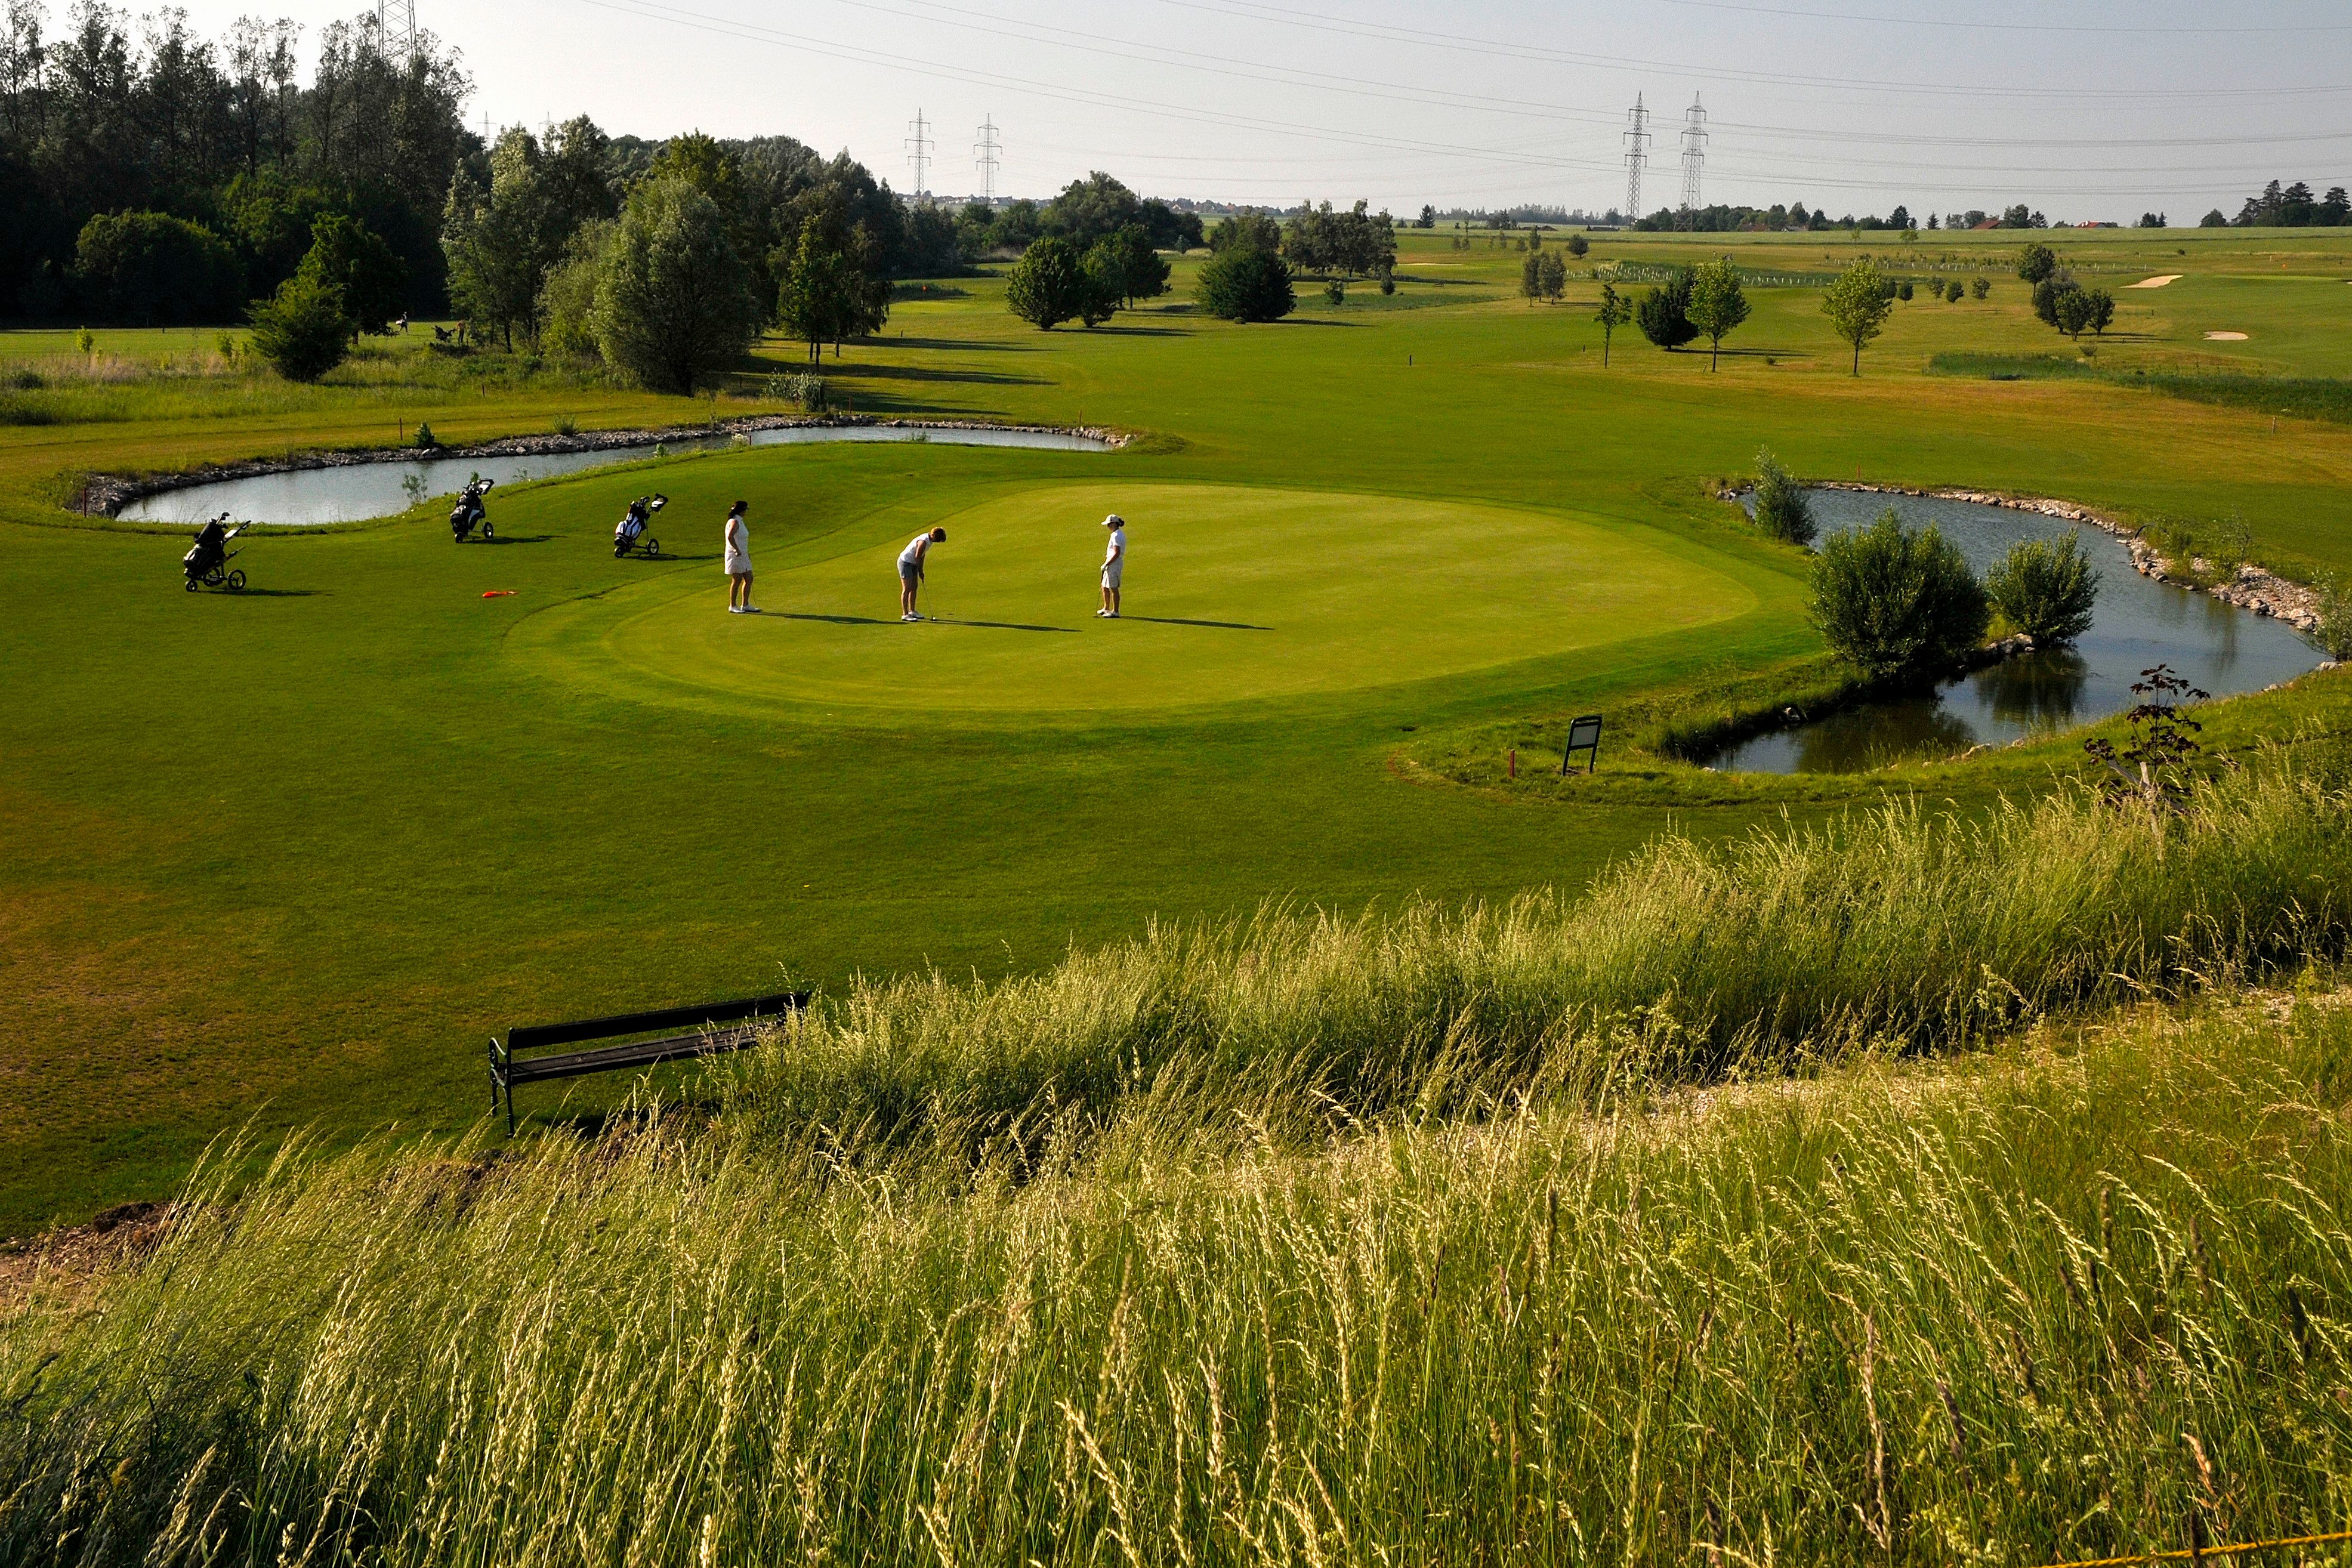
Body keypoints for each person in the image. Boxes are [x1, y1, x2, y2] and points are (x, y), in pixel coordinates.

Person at [899, 526, 946, 621]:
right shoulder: (923, 542)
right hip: (905, 563)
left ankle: (912, 611)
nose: (938, 541)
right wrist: (920, 570)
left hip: (912, 563)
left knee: (914, 587)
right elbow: (918, 557)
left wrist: (921, 570)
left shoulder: (929, 541)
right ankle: (905, 614)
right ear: (934, 535)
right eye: (938, 539)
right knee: (907, 588)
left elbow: (922, 555)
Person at [724, 501, 757, 613]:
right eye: (745, 510)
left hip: (743, 554)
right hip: (735, 555)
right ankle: (733, 606)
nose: (746, 512)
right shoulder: (735, 522)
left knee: (749, 578)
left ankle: (745, 605)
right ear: (741, 510)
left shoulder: (740, 521)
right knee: (737, 580)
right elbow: (730, 537)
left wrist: (745, 552)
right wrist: (736, 550)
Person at [1097, 513, 1126, 618]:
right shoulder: (1116, 534)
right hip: (1111, 562)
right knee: (1104, 586)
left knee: (1113, 587)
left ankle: (1116, 611)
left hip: (1114, 563)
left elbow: (1117, 553)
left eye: (1109, 524)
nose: (1108, 527)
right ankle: (1106, 608)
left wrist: (1107, 563)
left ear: (1114, 524)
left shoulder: (1117, 536)